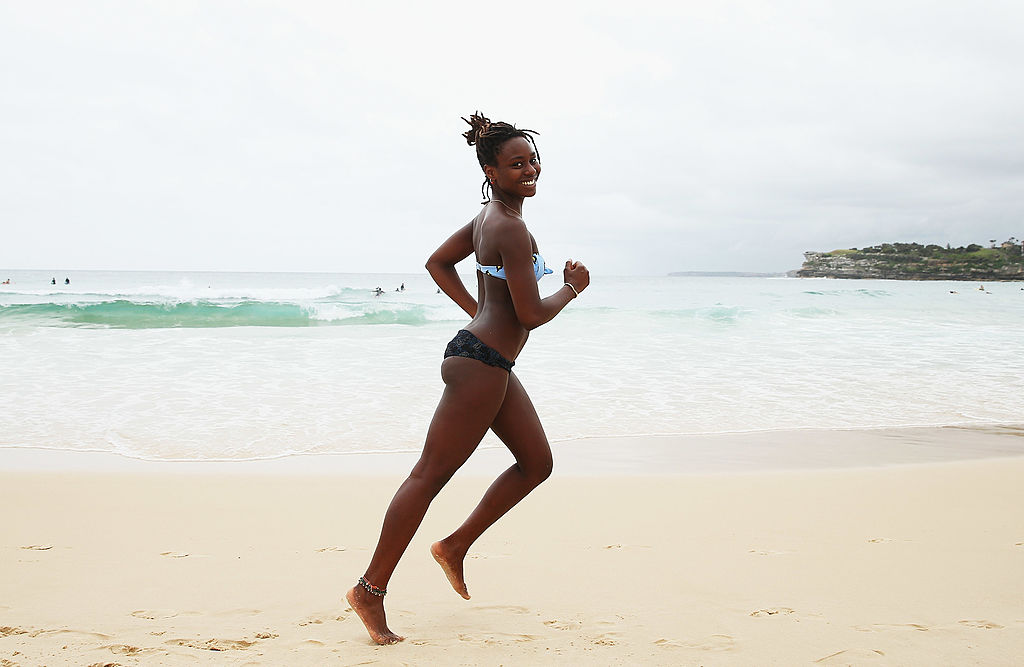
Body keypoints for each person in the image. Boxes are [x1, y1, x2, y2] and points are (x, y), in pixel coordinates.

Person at [346, 112, 589, 645]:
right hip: (480, 365)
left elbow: (438, 263)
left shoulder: (488, 218)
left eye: (532, 160)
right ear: (490, 170)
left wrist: (476, 310)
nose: (529, 169)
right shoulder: (509, 225)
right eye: (515, 163)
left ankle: (454, 546)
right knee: (428, 477)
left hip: (488, 361)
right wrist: (572, 288)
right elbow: (528, 314)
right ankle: (369, 589)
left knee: (536, 463)